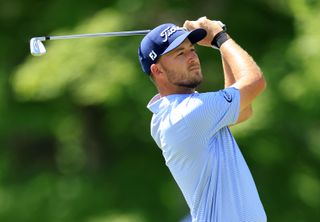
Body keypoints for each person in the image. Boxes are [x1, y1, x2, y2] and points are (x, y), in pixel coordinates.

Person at [138, 16, 267, 222]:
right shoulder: (188, 114)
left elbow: (243, 111)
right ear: (158, 70)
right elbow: (254, 82)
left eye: (192, 49)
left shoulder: (173, 113)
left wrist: (221, 42)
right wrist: (219, 37)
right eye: (180, 53)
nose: (192, 58)